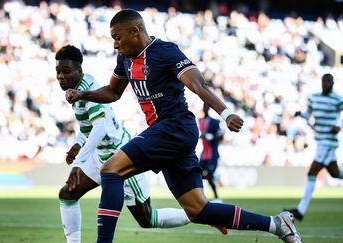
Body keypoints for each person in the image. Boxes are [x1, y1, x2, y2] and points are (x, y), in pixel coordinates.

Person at [65, 9, 302, 243]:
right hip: (167, 135)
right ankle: (277, 224)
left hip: (175, 127)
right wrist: (83, 94)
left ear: (135, 31)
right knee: (198, 210)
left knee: (111, 170)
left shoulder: (165, 52)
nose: (115, 44)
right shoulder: (125, 59)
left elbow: (198, 84)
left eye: (117, 37)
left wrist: (226, 113)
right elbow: (112, 92)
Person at [56, 45, 230, 243]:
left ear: (79, 71)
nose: (61, 76)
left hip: (117, 154)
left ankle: (201, 215)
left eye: (66, 71)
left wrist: (79, 161)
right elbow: (88, 127)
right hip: (99, 154)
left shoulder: (88, 90)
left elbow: (100, 129)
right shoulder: (77, 91)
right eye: (58, 72)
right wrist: (78, 144)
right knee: (68, 193)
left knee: (147, 218)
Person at [285, 73, 343, 221]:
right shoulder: (314, 98)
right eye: (325, 81)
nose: (327, 84)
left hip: (329, 142)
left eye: (330, 82)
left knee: (312, 173)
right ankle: (300, 210)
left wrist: (339, 125)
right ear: (322, 82)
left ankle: (300, 211)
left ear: (333, 83)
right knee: (335, 173)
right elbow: (308, 115)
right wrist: (300, 114)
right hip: (321, 141)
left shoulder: (338, 100)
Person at [198, 104, 224, 202]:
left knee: (208, 175)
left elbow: (221, 136)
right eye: (204, 107)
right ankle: (201, 197)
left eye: (207, 107)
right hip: (204, 154)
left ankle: (217, 197)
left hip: (212, 154)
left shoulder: (215, 122)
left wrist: (211, 137)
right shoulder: (200, 121)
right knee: (198, 175)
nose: (205, 109)